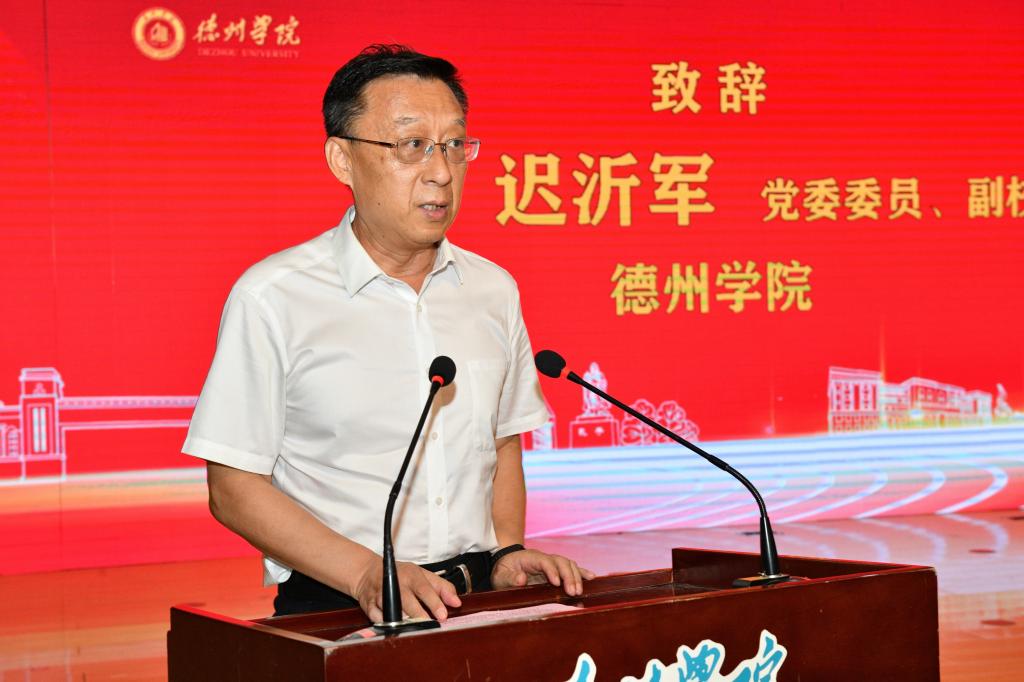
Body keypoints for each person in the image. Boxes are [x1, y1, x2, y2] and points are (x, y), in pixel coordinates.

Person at [182, 44, 593, 622]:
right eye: (411, 145)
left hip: (473, 604)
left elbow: (502, 443)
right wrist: (363, 573)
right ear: (342, 160)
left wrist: (505, 554)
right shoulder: (274, 296)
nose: (441, 171)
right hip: (340, 606)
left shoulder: (492, 289)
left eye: (454, 144)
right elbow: (233, 486)